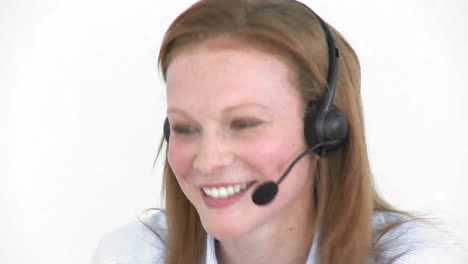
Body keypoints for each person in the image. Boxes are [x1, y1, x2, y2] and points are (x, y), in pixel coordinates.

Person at [91, 0, 465, 263]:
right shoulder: (129, 255)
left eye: (244, 124)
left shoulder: (416, 258)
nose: (207, 160)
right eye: (185, 127)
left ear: (324, 130)